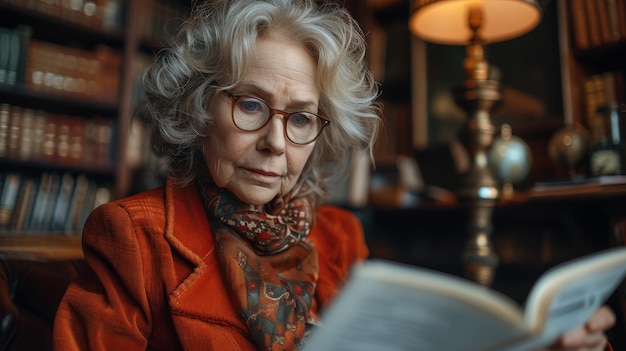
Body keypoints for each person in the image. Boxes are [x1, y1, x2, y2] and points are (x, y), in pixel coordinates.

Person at [52, 0, 616, 350]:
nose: (276, 141)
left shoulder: (340, 237)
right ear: (200, 110)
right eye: (250, 105)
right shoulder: (133, 236)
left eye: (300, 118)